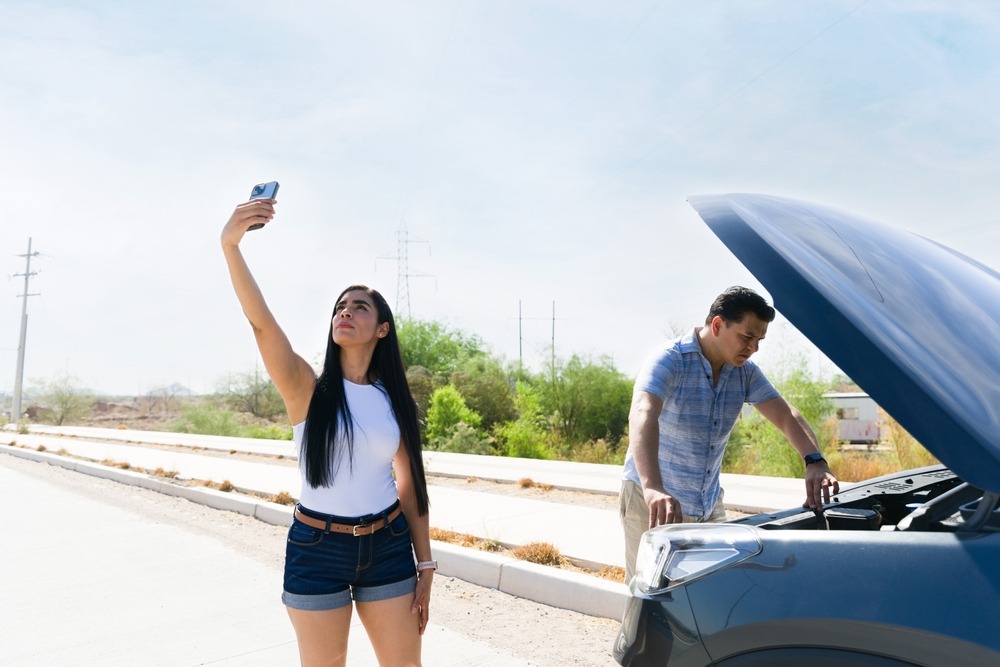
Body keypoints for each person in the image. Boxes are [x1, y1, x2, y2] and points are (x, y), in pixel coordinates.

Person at [221, 195, 434, 667]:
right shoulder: (306, 389)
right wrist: (231, 247)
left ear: (381, 329)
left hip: (388, 546)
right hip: (316, 550)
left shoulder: (393, 403)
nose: (346, 311)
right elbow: (261, 324)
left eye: (360, 307)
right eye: (341, 306)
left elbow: (410, 485)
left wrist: (426, 564)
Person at [620, 286, 839, 580]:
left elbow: (786, 415)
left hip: (708, 505)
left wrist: (815, 461)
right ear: (718, 325)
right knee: (650, 597)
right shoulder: (669, 359)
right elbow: (643, 413)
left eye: (759, 340)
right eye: (747, 337)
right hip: (655, 503)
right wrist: (653, 487)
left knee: (714, 593)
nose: (753, 348)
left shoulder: (745, 373)